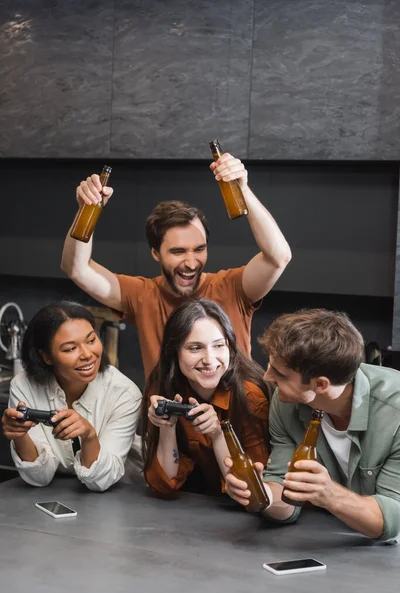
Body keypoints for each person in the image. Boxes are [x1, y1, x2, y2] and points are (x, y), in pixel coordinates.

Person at [61, 153, 291, 378]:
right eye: (178, 252)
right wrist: (87, 209)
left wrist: (242, 191)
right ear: (155, 253)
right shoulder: (142, 294)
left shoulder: (233, 287)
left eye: (199, 249)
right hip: (165, 414)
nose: (191, 263)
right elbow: (77, 268)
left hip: (234, 412)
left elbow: (278, 257)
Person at [225, 309, 400, 542]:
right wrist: (261, 493)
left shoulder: (394, 412)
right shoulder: (286, 401)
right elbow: (285, 496)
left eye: (280, 373)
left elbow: (392, 521)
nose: (267, 377)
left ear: (320, 384)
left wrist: (329, 494)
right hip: (333, 544)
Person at [1, 301, 142, 492]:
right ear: (47, 357)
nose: (87, 354)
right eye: (70, 349)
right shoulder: (24, 385)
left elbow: (101, 481)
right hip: (52, 494)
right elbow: (38, 478)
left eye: (91, 340)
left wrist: (89, 436)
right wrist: (20, 435)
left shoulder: (124, 393)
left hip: (120, 496)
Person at [140, 298, 273, 497]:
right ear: (174, 352)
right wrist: (167, 426)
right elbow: (163, 486)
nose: (209, 360)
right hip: (192, 507)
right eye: (195, 348)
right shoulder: (163, 384)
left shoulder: (249, 394)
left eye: (219, 346)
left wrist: (217, 434)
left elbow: (251, 490)